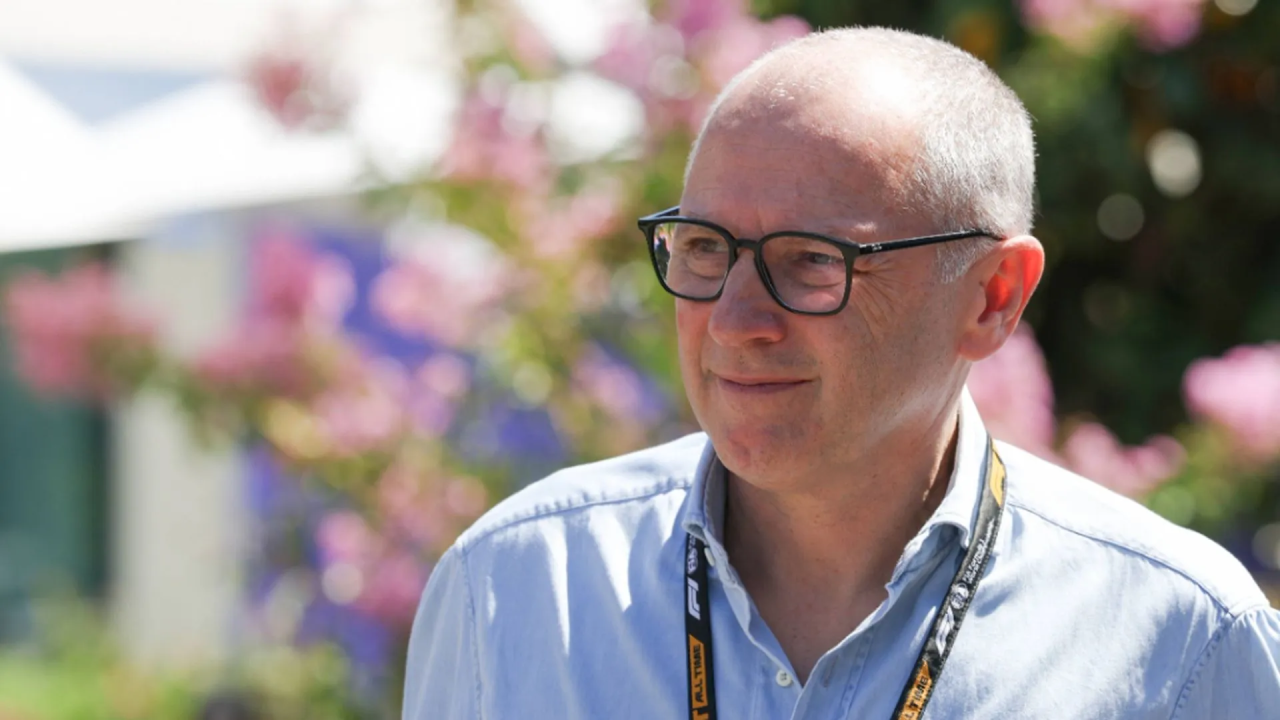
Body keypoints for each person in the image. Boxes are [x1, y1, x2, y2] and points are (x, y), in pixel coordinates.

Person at [402, 27, 1280, 719]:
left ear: (993, 297)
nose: (735, 321)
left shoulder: (1183, 638)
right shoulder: (513, 587)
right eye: (704, 247)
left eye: (814, 261)